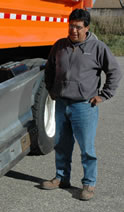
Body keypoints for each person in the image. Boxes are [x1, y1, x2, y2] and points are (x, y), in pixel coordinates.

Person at [42, 8, 122, 200]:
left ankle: (89, 184)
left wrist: (104, 95)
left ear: (87, 27)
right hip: (62, 103)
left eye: (78, 27)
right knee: (61, 145)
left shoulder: (98, 47)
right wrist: (52, 90)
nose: (73, 31)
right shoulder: (60, 46)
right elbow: (49, 69)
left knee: (87, 148)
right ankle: (61, 178)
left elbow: (114, 72)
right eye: (71, 26)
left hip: (84, 106)